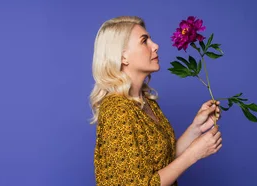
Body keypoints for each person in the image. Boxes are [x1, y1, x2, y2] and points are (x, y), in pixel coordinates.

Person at [89, 16, 222, 186]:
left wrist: (196, 129)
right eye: (144, 41)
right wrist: (194, 154)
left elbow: (162, 161)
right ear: (123, 57)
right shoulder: (118, 110)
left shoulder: (146, 102)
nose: (155, 46)